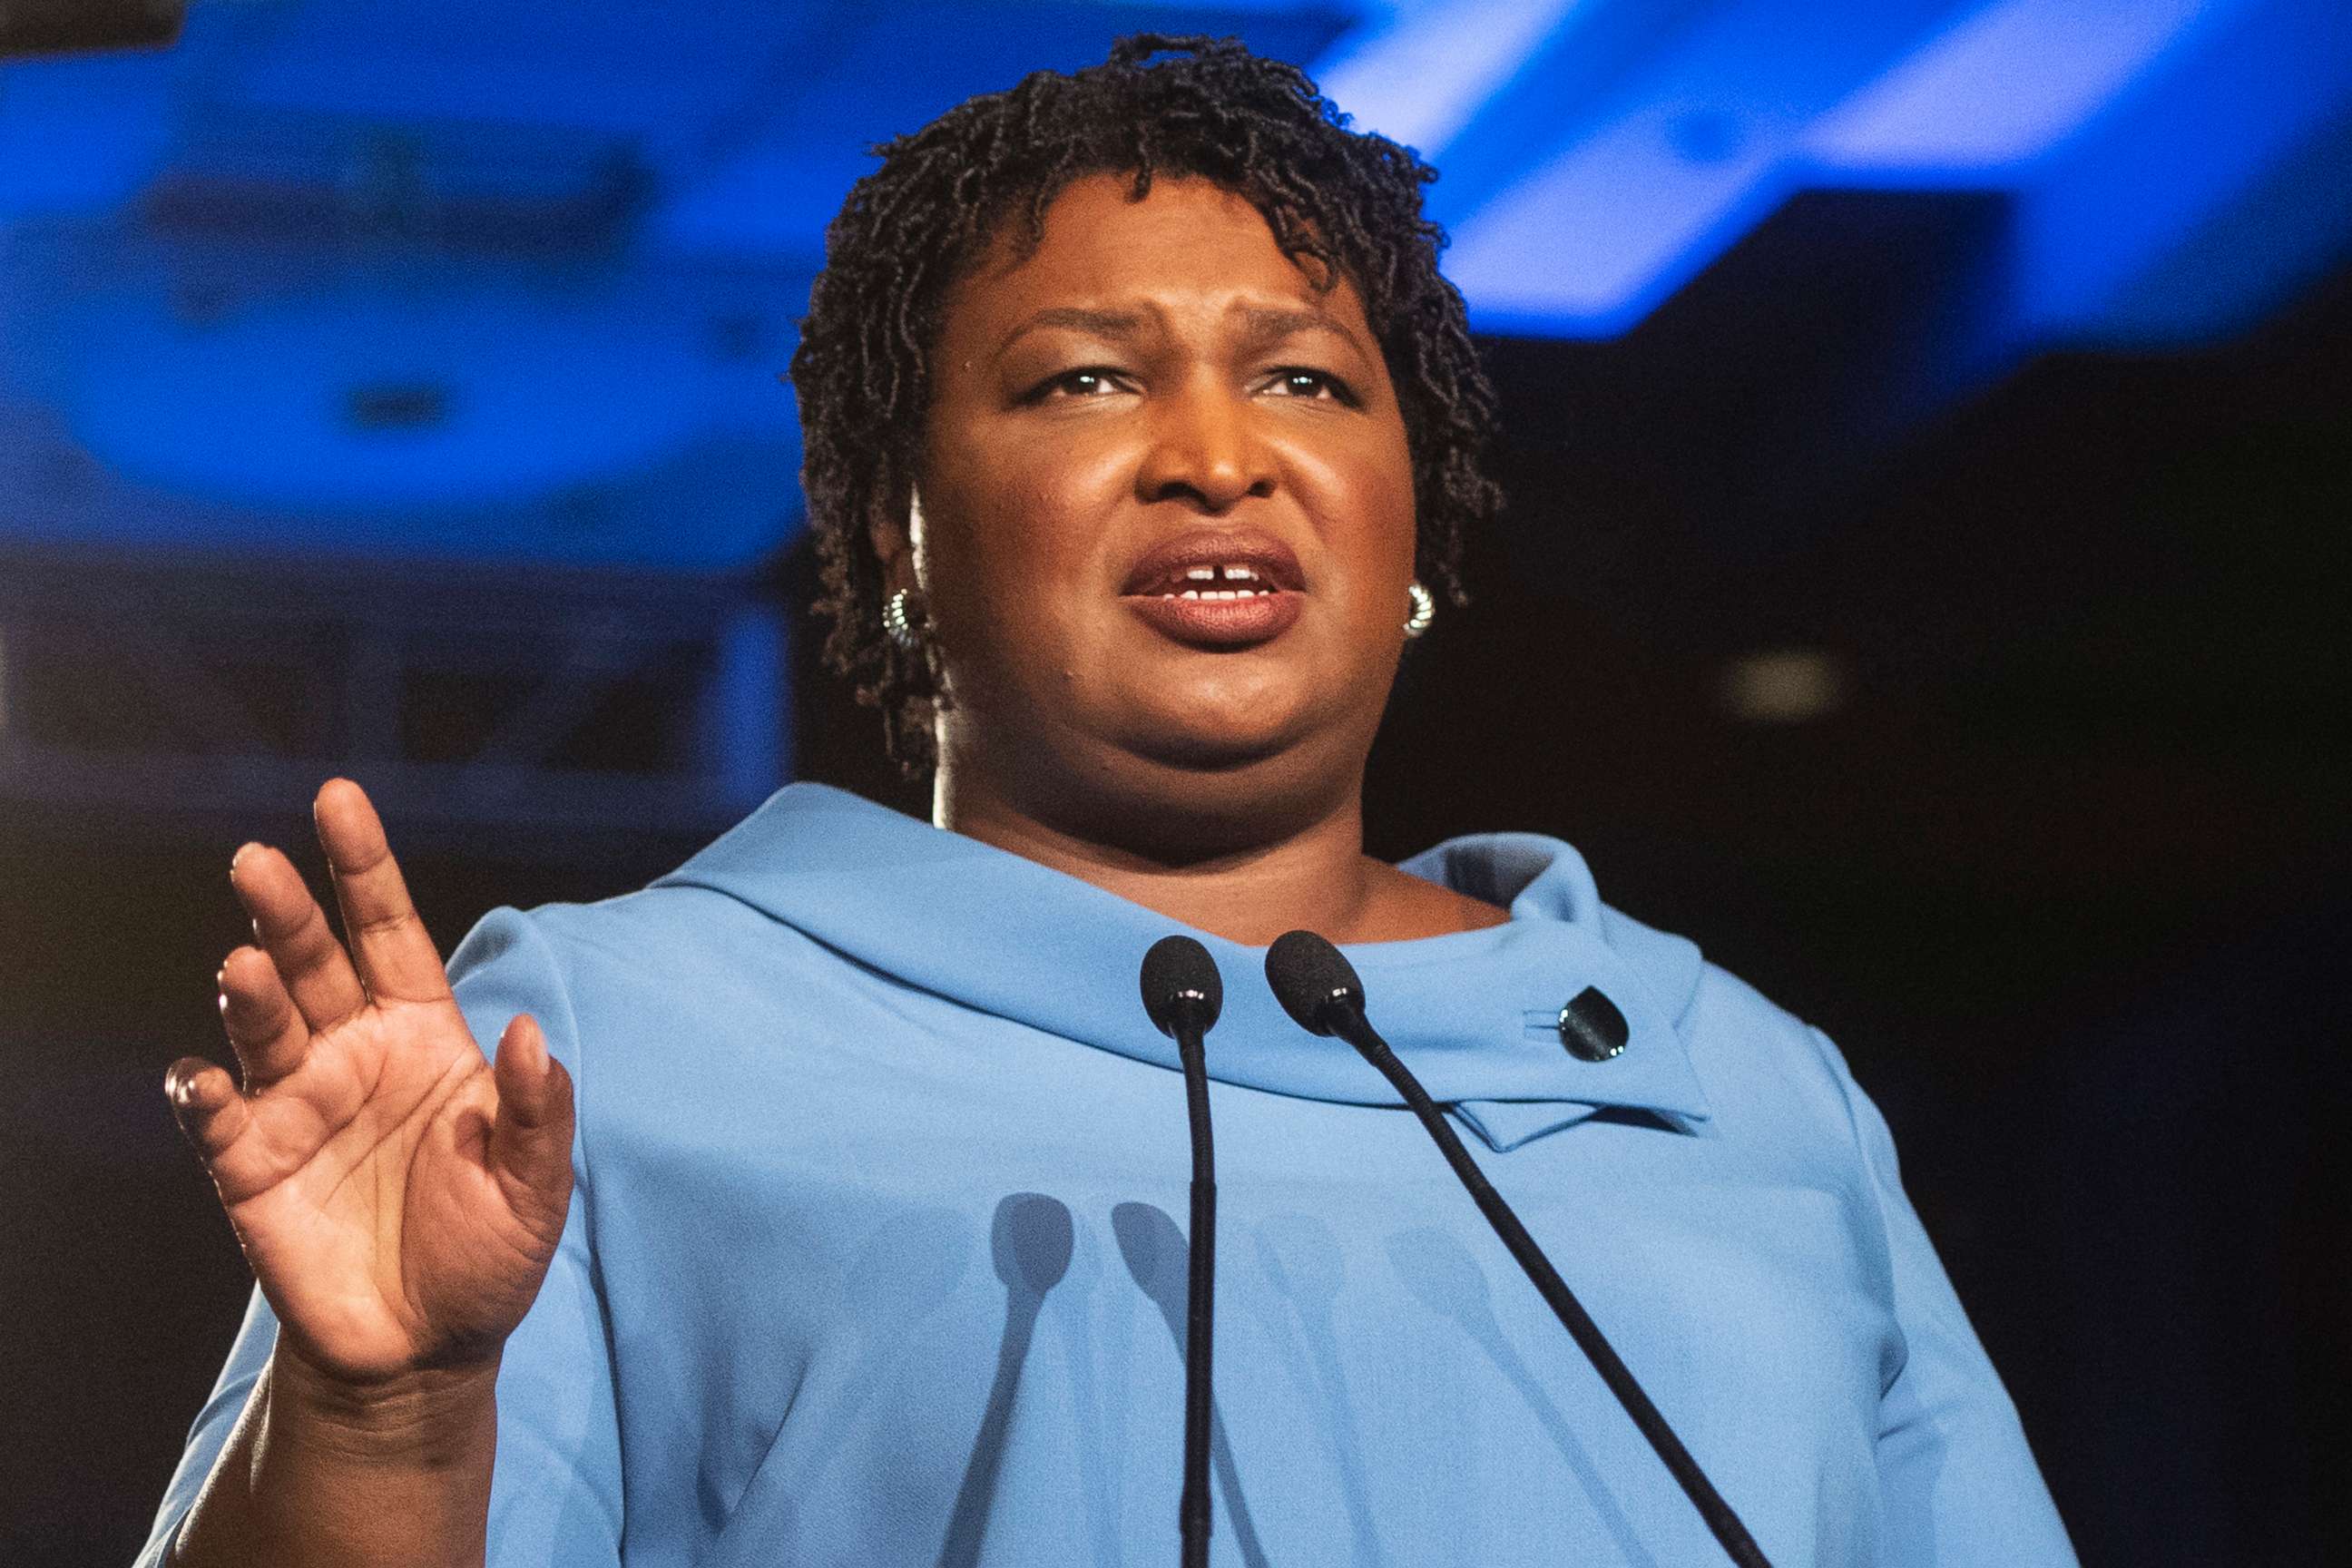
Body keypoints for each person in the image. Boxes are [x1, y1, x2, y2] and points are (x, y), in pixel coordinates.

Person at [138, 35, 2076, 1568]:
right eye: (1081, 384)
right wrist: (382, 1424)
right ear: (898, 533)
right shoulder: (590, 1052)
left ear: (1417, 519)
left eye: (1311, 383)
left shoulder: (1735, 1075)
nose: (1217, 457)